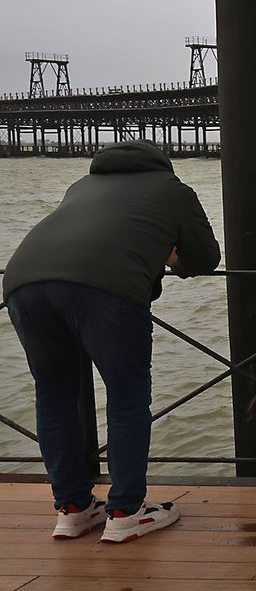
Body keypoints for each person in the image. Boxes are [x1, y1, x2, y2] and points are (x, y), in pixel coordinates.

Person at [4, 140, 220, 542]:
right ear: (162, 164)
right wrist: (171, 258)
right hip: (106, 290)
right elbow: (206, 258)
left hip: (24, 283)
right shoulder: (173, 189)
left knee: (53, 395)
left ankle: (73, 508)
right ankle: (125, 512)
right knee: (126, 397)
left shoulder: (81, 185)